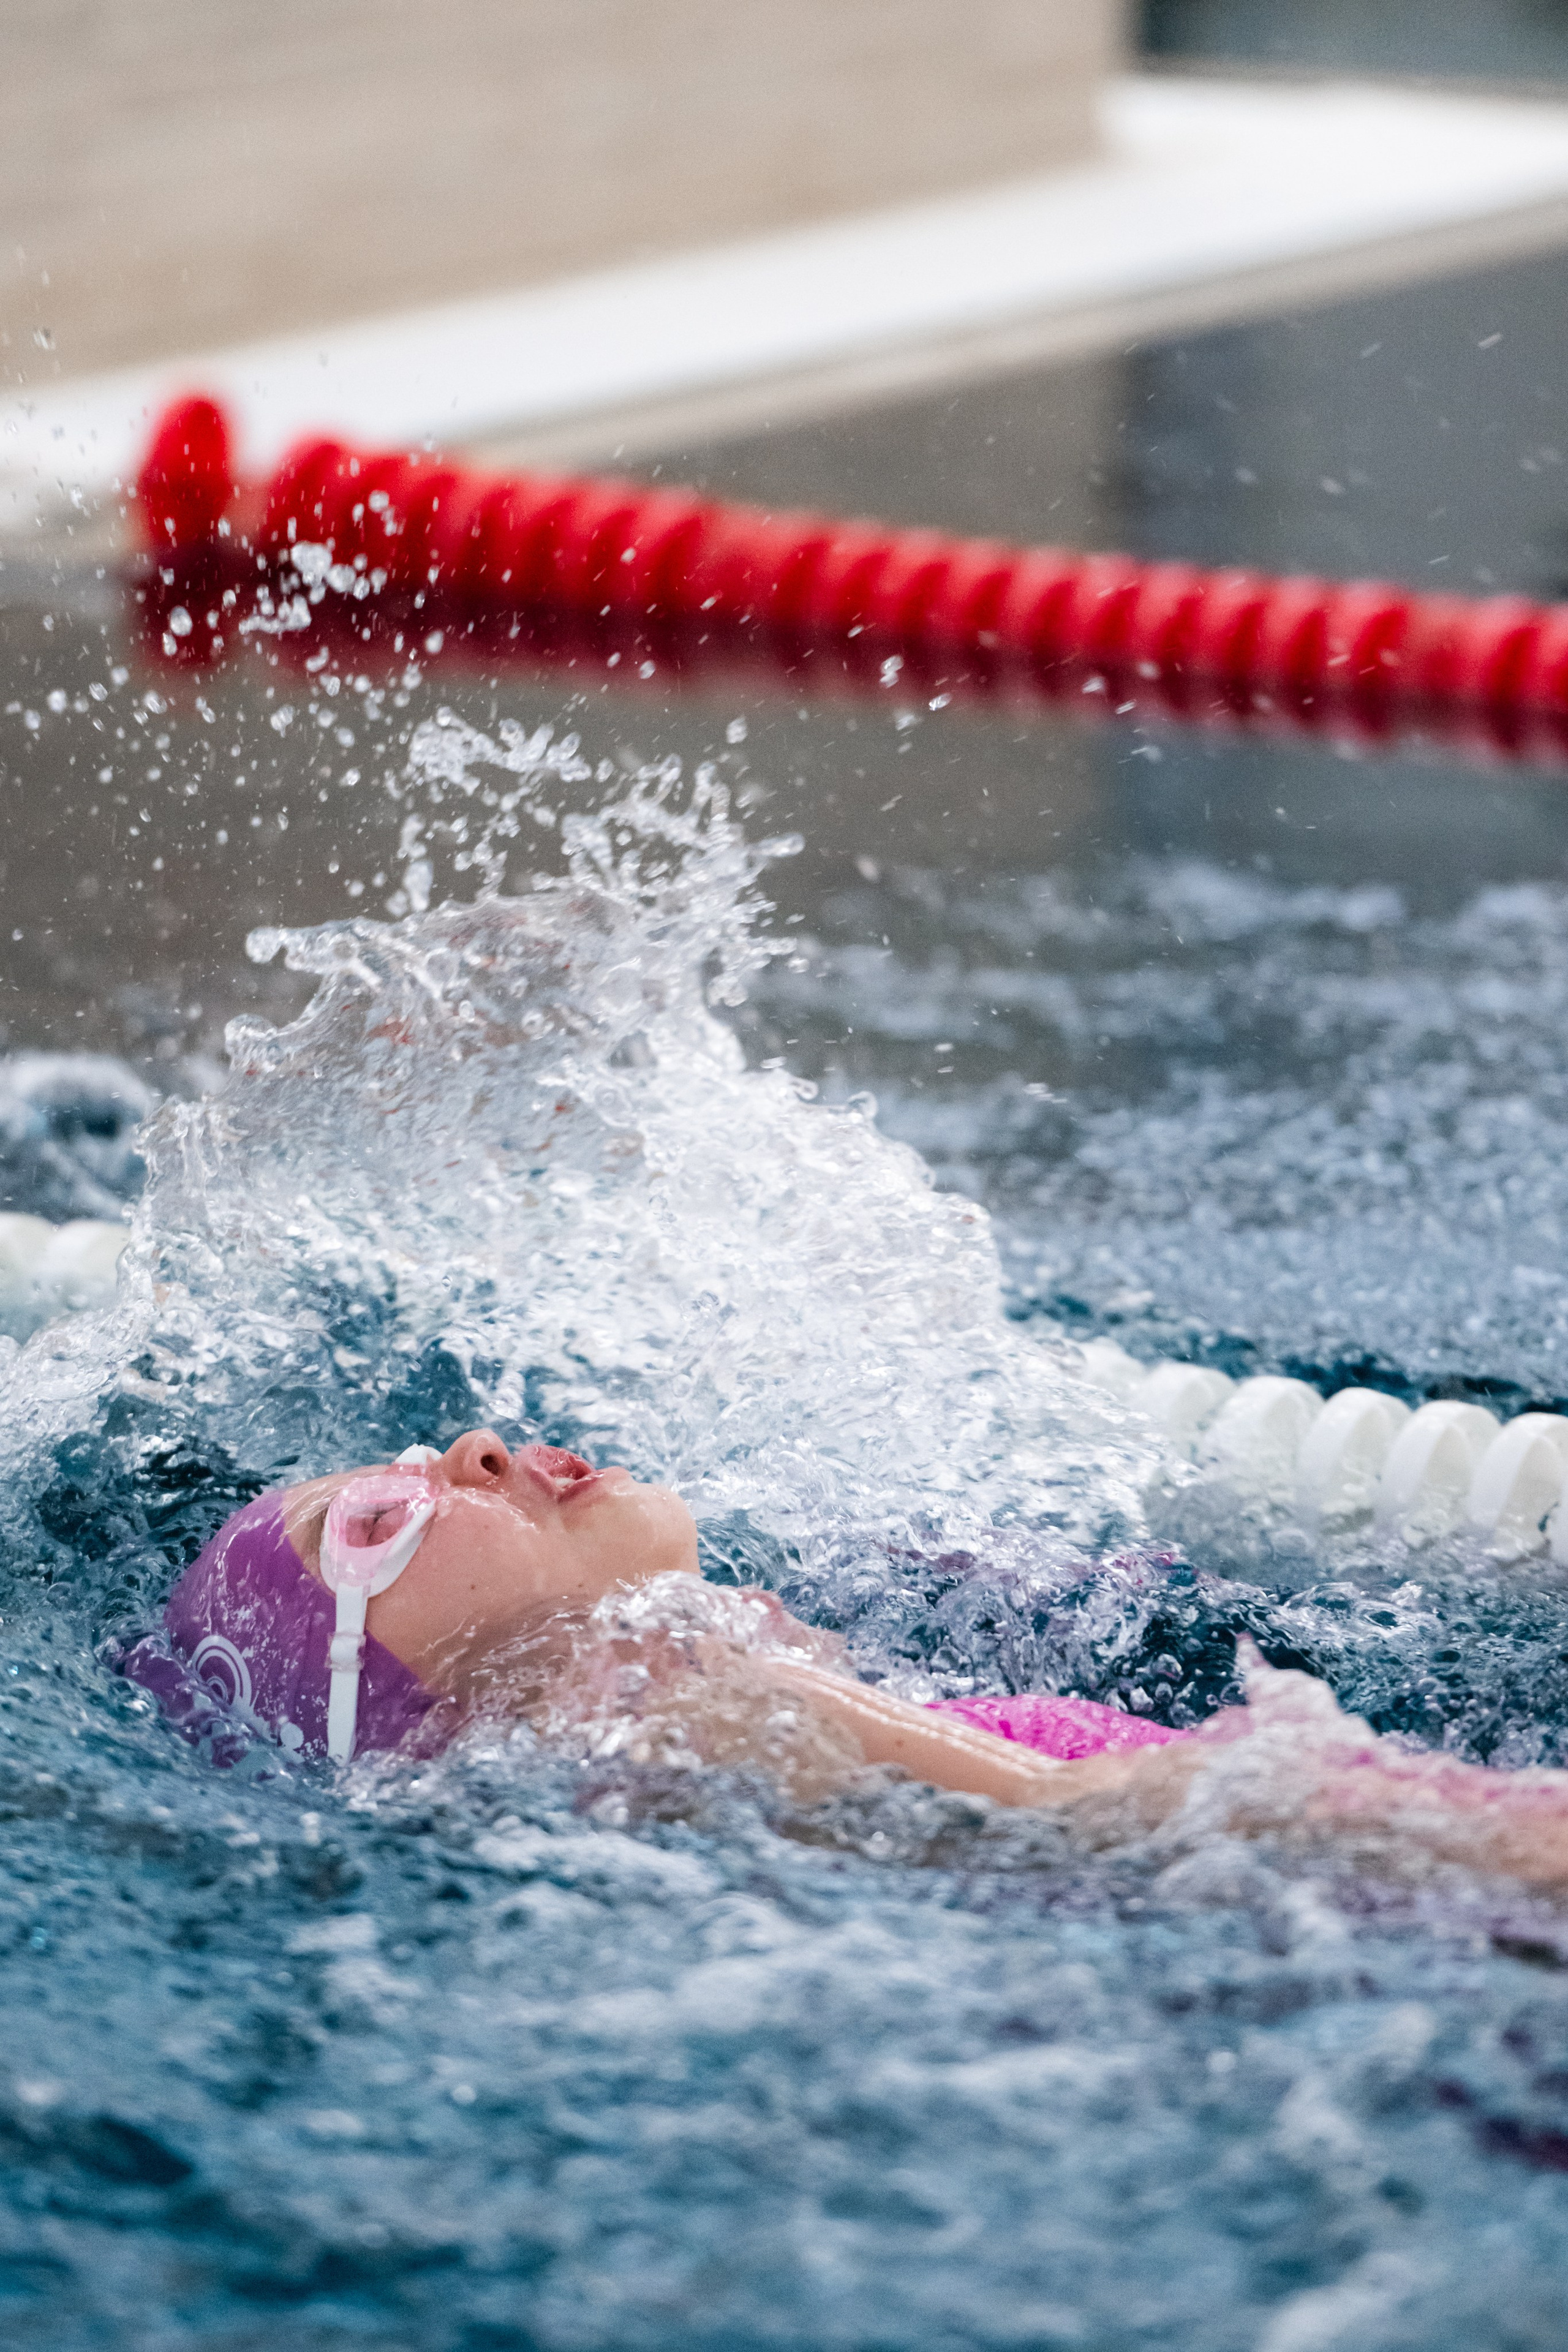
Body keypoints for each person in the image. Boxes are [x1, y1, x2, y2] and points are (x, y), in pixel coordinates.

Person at [114, 1430, 1568, 1895]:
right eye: (379, 1521)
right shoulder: (661, 1698)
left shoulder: (638, 1723)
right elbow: (1120, 1817)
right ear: (400, 1701)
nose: (478, 1446)